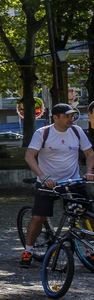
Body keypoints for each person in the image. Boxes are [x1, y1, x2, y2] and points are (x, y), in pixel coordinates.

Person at [21, 103, 94, 266]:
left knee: (89, 215)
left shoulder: (77, 131)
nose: (71, 119)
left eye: (73, 116)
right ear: (55, 117)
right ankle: (28, 250)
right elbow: (29, 156)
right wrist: (42, 176)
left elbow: (89, 153)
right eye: (67, 116)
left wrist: (89, 171)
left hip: (73, 181)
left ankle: (90, 251)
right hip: (48, 183)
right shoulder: (43, 133)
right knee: (39, 217)